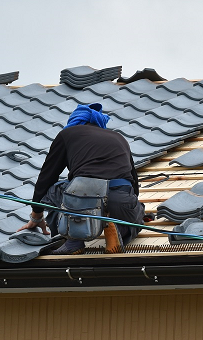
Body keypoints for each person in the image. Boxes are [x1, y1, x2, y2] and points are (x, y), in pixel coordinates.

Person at [18, 103, 145, 255]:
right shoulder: (119, 138)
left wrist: (37, 216)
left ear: (75, 121)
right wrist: (135, 210)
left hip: (82, 201)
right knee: (135, 217)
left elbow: (47, 178)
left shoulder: (68, 134)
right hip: (120, 199)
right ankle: (117, 229)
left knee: (54, 191)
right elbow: (134, 186)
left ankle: (73, 240)